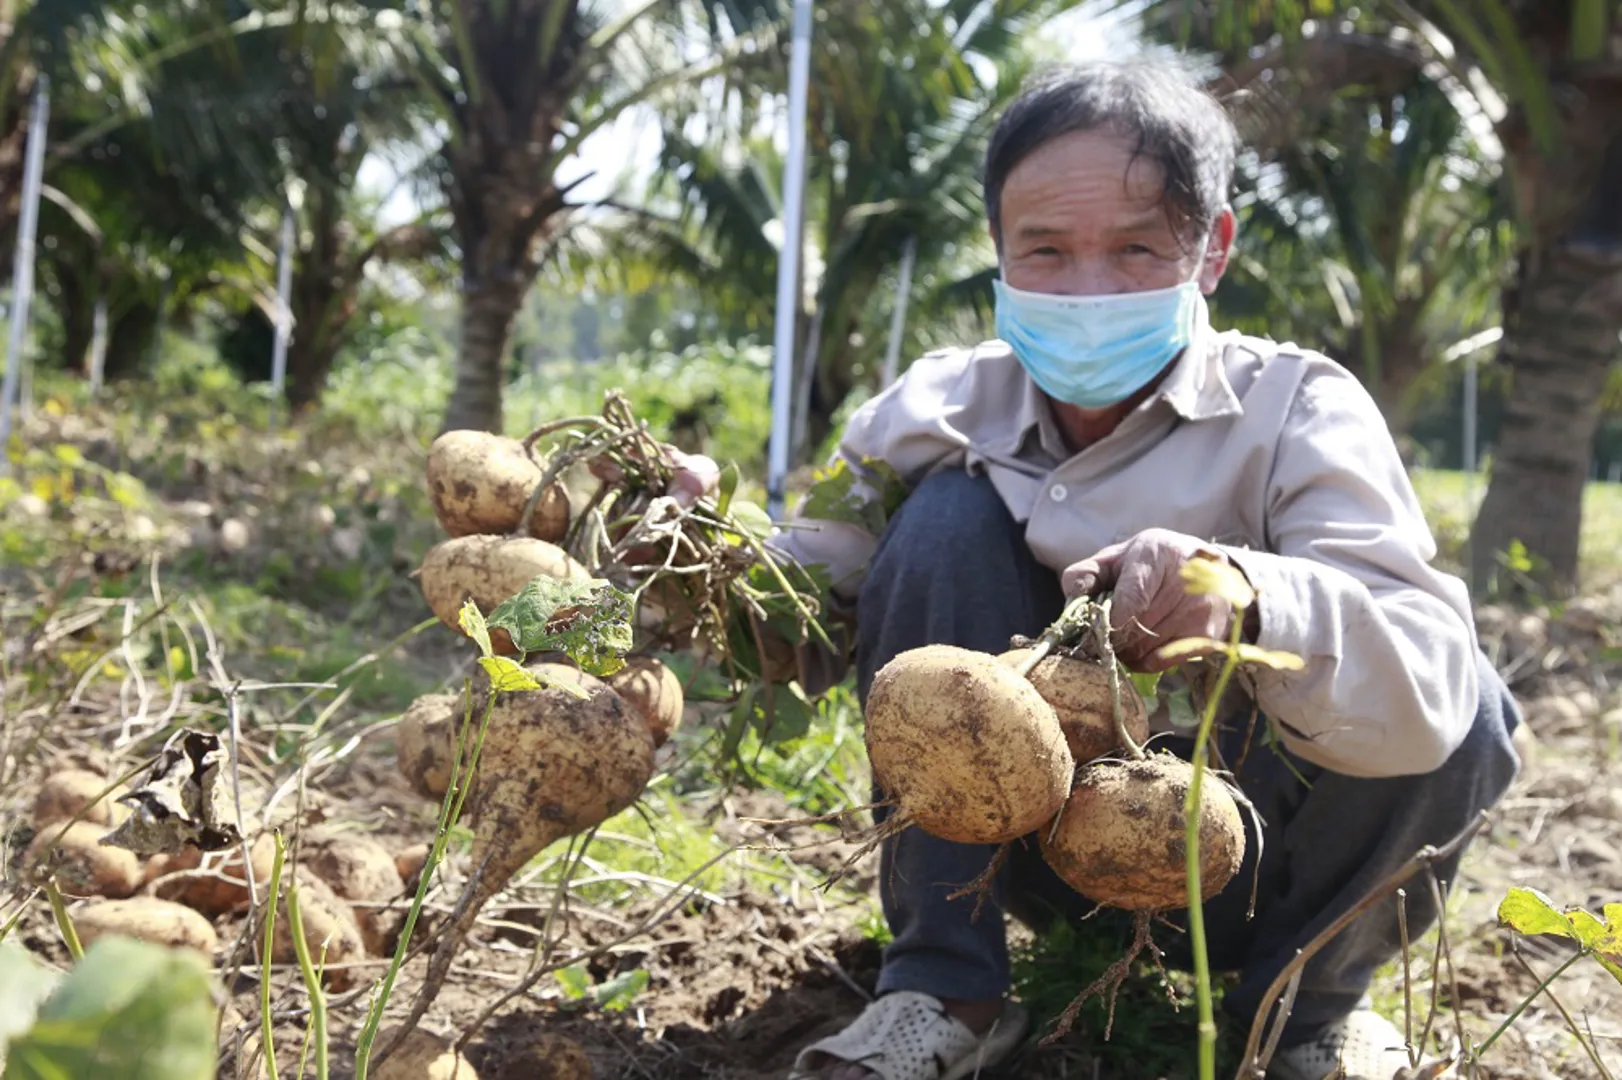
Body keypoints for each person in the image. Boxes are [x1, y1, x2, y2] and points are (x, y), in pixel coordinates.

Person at [672, 57, 1521, 1080]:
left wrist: (1234, 594)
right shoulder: (932, 410)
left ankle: (1302, 1015)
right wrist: (696, 553)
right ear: (996, 252)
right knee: (943, 516)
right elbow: (801, 622)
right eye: (1043, 249)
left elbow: (1422, 685)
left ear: (1209, 251)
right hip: (1030, 847)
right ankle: (945, 992)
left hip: (1252, 866)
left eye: (1133, 249)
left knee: (1463, 694)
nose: (1085, 290)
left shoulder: (1298, 408)